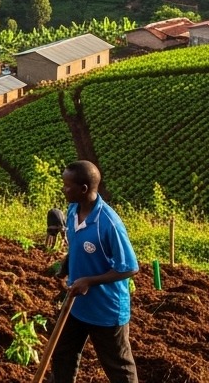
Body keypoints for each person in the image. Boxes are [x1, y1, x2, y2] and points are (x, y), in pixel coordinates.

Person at [50, 160, 139, 383]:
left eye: (67, 185)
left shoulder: (109, 224)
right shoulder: (72, 211)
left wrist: (89, 281)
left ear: (84, 189)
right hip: (77, 304)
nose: (63, 189)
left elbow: (129, 267)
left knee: (119, 366)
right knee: (63, 353)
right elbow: (77, 244)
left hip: (106, 310)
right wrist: (67, 263)